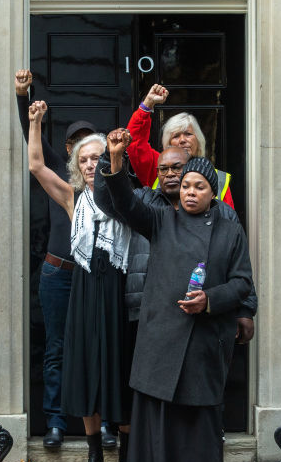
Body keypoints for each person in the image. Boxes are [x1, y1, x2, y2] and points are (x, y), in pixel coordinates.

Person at [98, 131, 254, 462]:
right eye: (185, 186)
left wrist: (211, 300)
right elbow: (124, 203)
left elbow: (242, 283)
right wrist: (116, 163)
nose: (189, 192)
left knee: (201, 420)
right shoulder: (160, 219)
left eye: (198, 186)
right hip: (161, 335)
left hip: (205, 337)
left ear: (211, 192)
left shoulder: (229, 228)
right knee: (160, 420)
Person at [27, 100, 133, 462]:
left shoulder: (126, 197)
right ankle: (94, 458)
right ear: (77, 165)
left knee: (119, 371)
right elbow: (37, 165)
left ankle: (125, 457)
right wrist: (34, 121)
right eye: (84, 159)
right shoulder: (74, 199)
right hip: (84, 291)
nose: (91, 164)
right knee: (87, 369)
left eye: (98, 158)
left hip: (118, 293)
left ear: (110, 160)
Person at [94, 145, 257, 347]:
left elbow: (239, 268)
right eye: (163, 169)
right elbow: (110, 200)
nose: (169, 174)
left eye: (176, 168)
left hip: (203, 314)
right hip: (148, 309)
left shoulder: (222, 213)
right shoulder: (146, 202)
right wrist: (110, 157)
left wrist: (245, 310)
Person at [15, 70, 101, 449]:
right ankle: (54, 421)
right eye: (78, 148)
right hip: (56, 272)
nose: (87, 158)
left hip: (92, 276)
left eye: (93, 151)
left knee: (97, 345)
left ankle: (104, 422)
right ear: (69, 153)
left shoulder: (112, 191)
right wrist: (25, 99)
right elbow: (33, 151)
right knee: (56, 348)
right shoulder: (65, 186)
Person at [125, 84, 235, 208]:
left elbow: (229, 222)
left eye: (188, 134)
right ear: (168, 143)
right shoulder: (157, 166)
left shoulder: (219, 178)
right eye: (176, 136)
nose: (182, 140)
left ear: (198, 140)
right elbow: (135, 142)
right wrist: (147, 105)